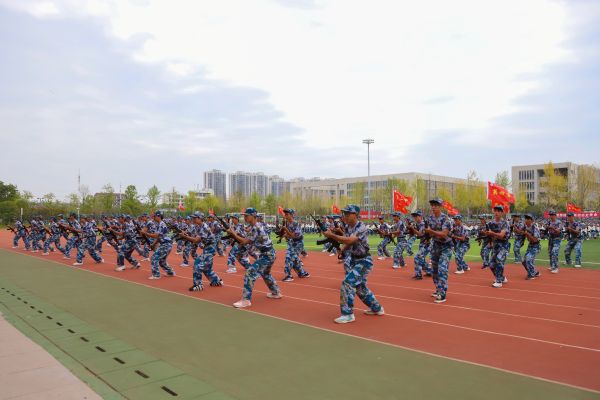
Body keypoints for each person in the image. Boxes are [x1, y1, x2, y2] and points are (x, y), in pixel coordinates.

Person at [322, 204, 384, 323]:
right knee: (360, 288)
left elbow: (350, 240)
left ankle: (348, 314)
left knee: (347, 283)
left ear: (355, 215)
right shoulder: (348, 227)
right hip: (354, 260)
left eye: (347, 213)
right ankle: (377, 308)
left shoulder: (361, 227)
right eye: (344, 213)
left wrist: (332, 235)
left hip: (364, 261)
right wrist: (342, 249)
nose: (344, 216)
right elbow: (348, 242)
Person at [226, 208, 281, 308]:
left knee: (250, 272)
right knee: (266, 274)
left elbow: (245, 241)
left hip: (267, 255)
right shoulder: (254, 226)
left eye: (247, 215)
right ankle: (276, 292)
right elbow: (247, 238)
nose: (245, 217)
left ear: (253, 216)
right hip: (269, 253)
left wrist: (233, 233)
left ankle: (246, 300)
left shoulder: (256, 227)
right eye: (244, 215)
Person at [179, 212, 223, 291]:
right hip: (207, 247)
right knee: (207, 267)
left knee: (197, 264)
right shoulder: (198, 226)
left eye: (195, 218)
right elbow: (193, 235)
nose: (193, 219)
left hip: (210, 248)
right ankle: (216, 281)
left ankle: (198, 285)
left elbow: (196, 240)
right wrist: (185, 234)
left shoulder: (204, 227)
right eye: (193, 218)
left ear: (200, 218)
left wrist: (185, 236)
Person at [424, 199, 453, 303]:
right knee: (434, 270)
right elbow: (428, 233)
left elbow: (444, 234)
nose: (433, 207)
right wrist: (427, 235)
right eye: (432, 205)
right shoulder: (430, 218)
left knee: (442, 269)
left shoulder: (446, 219)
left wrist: (430, 231)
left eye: (436, 205)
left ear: (440, 207)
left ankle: (442, 293)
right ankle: (438, 289)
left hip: (446, 247)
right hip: (436, 246)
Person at [142, 211, 176, 279]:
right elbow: (158, 237)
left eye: (155, 216)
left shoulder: (161, 224)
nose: (153, 217)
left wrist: (145, 233)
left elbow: (156, 235)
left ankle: (156, 275)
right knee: (162, 261)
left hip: (166, 244)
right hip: (165, 244)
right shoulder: (159, 224)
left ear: (159, 216)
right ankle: (170, 272)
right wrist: (153, 244)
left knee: (154, 258)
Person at [281, 208, 310, 282]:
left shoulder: (296, 224)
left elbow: (294, 236)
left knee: (289, 257)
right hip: (291, 243)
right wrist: (283, 235)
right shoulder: (287, 223)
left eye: (287, 214)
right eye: (285, 214)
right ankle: (302, 273)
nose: (285, 216)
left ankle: (288, 276)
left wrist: (285, 230)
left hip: (298, 243)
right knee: (294, 260)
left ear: (291, 215)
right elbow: (289, 235)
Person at [485, 205, 510, 288]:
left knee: (499, 260)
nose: (496, 212)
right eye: (495, 210)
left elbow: (502, 235)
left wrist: (492, 233)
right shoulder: (491, 223)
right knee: (491, 264)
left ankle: (499, 281)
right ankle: (502, 278)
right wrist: (487, 235)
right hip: (495, 247)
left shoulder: (505, 223)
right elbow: (488, 234)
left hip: (504, 246)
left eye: (499, 211)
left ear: (502, 213)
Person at [407, 210, 432, 280]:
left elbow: (420, 234)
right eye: (414, 216)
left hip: (427, 244)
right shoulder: (418, 224)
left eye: (416, 216)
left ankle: (418, 274)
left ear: (420, 216)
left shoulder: (423, 224)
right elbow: (417, 235)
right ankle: (430, 271)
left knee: (417, 257)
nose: (415, 218)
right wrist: (410, 229)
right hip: (422, 243)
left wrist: (412, 228)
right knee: (422, 259)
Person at [521, 214, 541, 280]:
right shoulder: (525, 227)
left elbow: (535, 240)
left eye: (528, 219)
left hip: (536, 245)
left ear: (531, 220)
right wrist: (522, 242)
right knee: (524, 261)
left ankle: (531, 275)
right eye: (525, 218)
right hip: (530, 245)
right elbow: (522, 233)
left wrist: (527, 234)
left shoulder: (535, 228)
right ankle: (535, 272)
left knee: (528, 259)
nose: (526, 220)